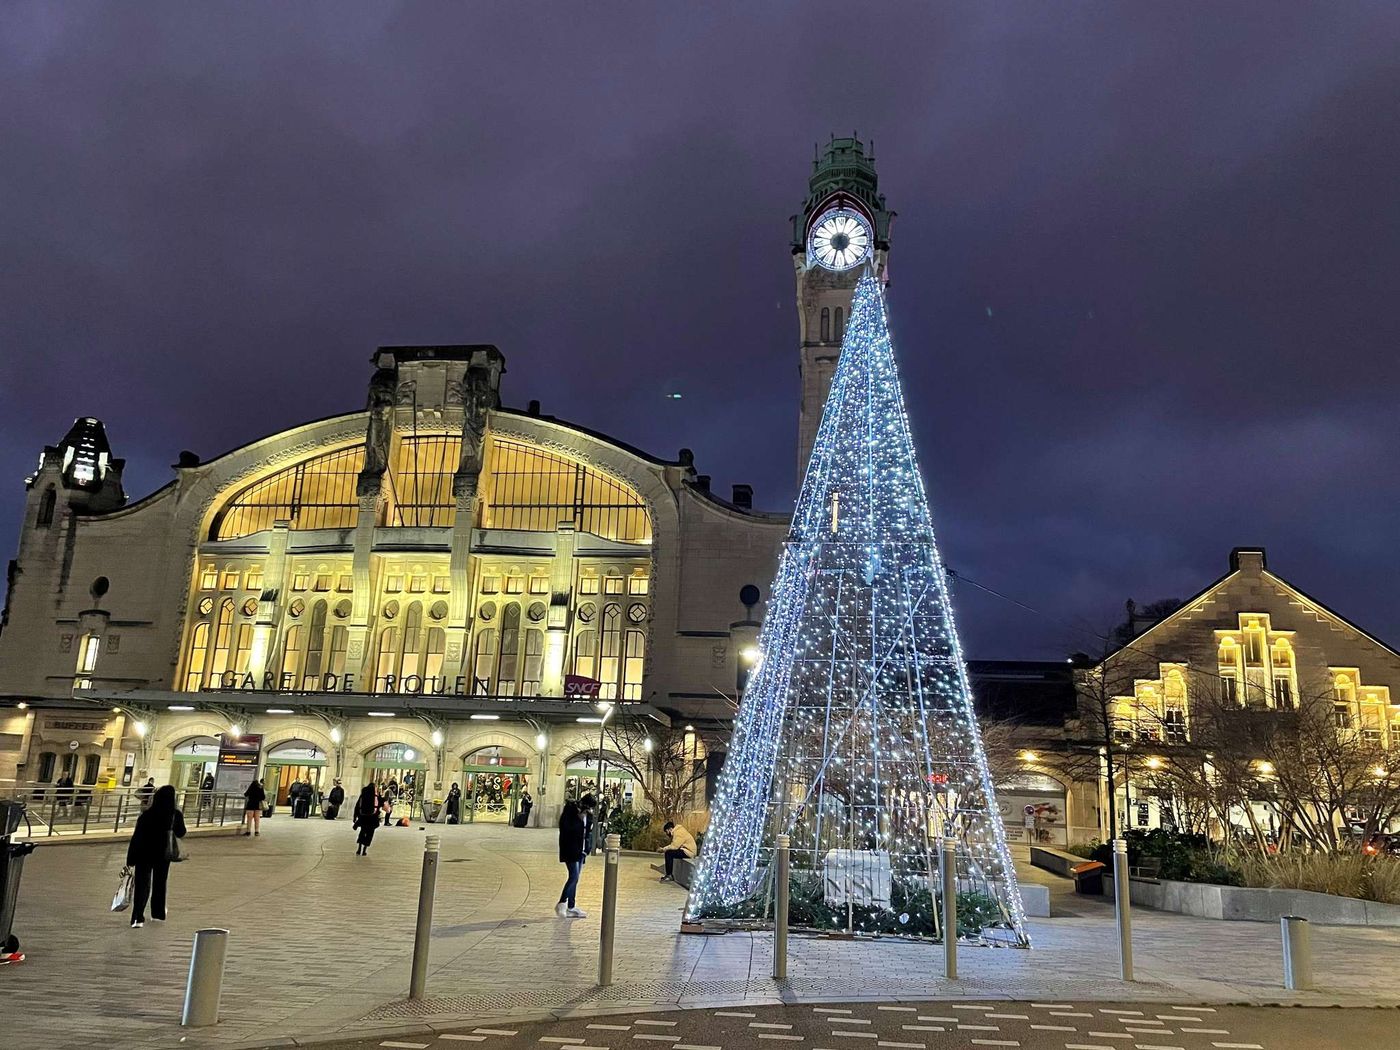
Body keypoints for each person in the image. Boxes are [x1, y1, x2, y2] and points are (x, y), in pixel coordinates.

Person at [126, 784, 186, 928]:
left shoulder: (146, 815)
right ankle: (158, 913)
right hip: (163, 855)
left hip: (143, 854)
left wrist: (131, 858)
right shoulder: (174, 814)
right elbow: (181, 832)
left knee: (142, 885)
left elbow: (136, 838)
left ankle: (137, 917)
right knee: (160, 883)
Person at [556, 794, 595, 918]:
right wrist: (580, 817)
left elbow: (587, 832)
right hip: (571, 849)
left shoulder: (588, 816)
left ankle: (571, 907)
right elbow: (566, 829)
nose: (589, 811)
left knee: (576, 878)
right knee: (573, 876)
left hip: (581, 850)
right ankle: (562, 903)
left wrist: (587, 848)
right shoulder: (571, 811)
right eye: (588, 808)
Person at [353, 783, 380, 856]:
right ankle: (364, 850)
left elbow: (357, 806)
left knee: (362, 832)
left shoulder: (363, 795)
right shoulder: (376, 796)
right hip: (372, 818)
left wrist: (355, 816)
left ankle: (359, 849)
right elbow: (380, 805)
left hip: (363, 818)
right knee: (369, 834)